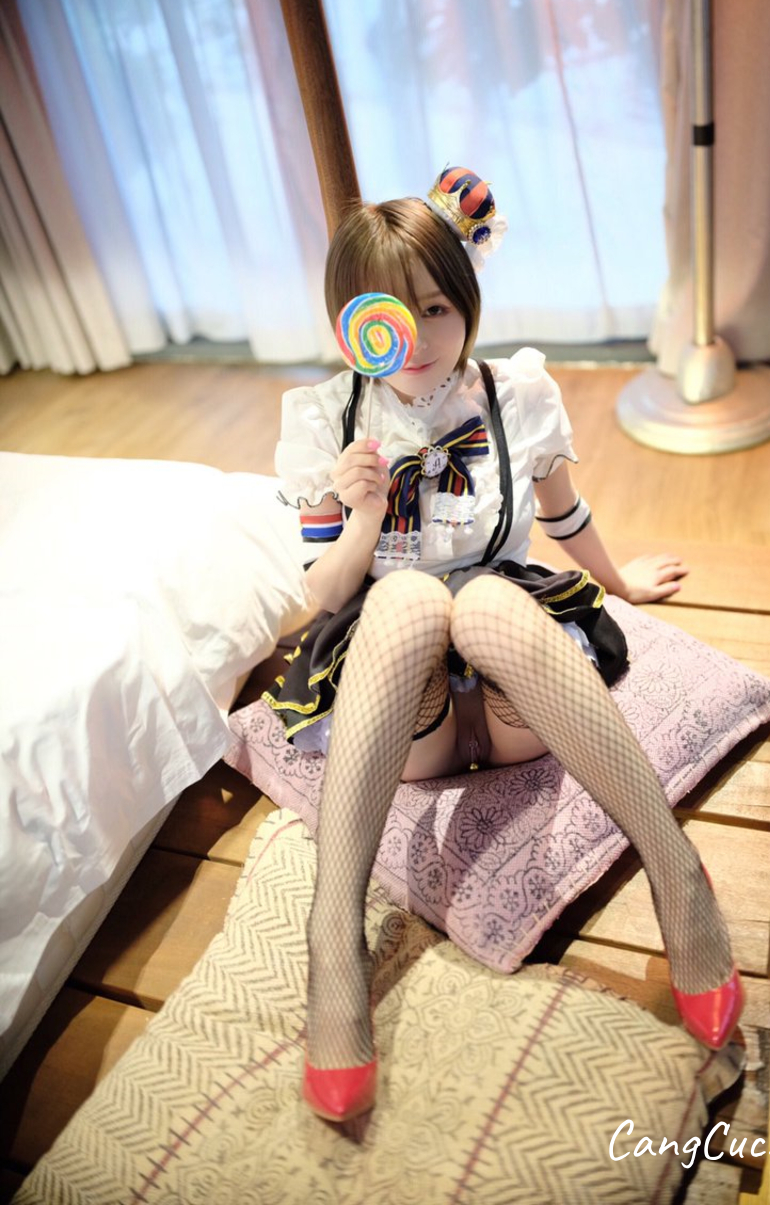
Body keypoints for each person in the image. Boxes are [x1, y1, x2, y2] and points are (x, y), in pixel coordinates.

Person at [265, 165, 742, 1123]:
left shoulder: (513, 392)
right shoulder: (326, 422)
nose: (416, 338)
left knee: (481, 599)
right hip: (412, 719)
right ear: (348, 321)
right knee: (407, 598)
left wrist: (617, 581)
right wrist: (363, 514)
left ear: (466, 302)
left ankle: (675, 872)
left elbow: (558, 510)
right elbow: (324, 595)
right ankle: (333, 933)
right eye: (389, 314)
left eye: (437, 308)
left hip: (518, 698)